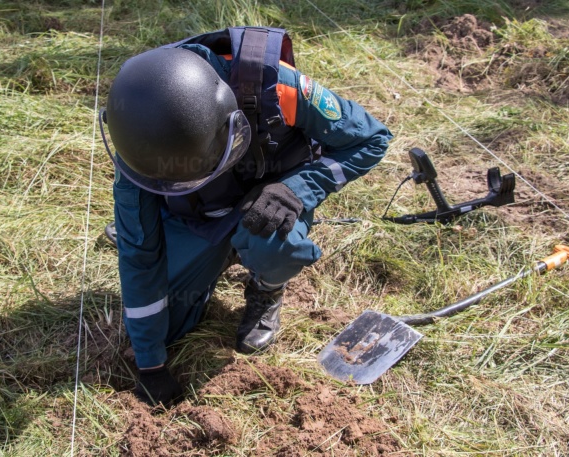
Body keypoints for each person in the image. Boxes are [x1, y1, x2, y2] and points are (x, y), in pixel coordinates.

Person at [102, 27, 392, 406]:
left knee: (276, 245)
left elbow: (371, 139)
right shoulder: (138, 142)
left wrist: (297, 189)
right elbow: (139, 257)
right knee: (167, 327)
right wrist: (150, 364)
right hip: (198, 217)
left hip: (266, 204)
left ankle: (266, 288)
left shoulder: (274, 87)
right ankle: (219, 253)